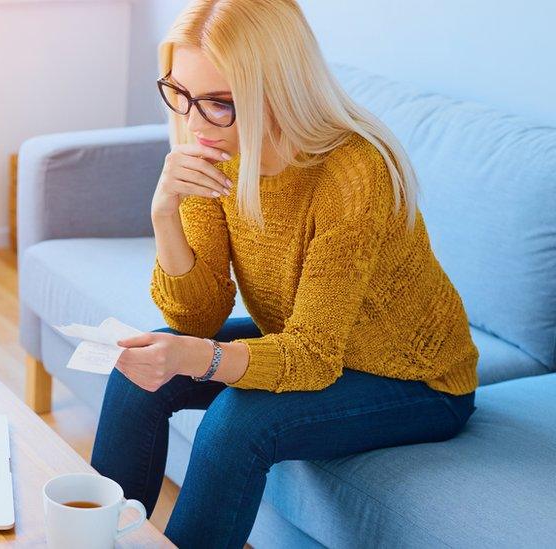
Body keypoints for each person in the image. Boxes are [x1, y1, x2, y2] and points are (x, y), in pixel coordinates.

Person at [89, 1, 479, 547]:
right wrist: (164, 213)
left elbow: (314, 358)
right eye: (181, 94)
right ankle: (92, 539)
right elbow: (198, 316)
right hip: (309, 344)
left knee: (235, 423)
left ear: (277, 90)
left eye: (221, 103)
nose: (195, 123)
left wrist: (195, 358)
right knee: (137, 373)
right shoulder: (212, 146)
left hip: (416, 379)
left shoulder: (352, 172)